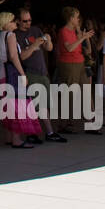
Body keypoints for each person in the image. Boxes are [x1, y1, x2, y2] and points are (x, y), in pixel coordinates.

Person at [0, 12, 42, 147]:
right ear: (7, 23)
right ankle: (16, 139)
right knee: (17, 106)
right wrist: (22, 74)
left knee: (7, 107)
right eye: (13, 20)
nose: (15, 22)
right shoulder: (11, 35)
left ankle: (9, 137)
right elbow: (15, 57)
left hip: (1, 74)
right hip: (11, 75)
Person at [17, 8, 65, 142]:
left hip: (42, 72)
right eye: (25, 21)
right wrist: (34, 45)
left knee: (44, 104)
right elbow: (21, 56)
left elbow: (48, 48)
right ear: (18, 21)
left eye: (29, 20)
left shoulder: (35, 30)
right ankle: (40, 132)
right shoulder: (16, 36)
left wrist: (48, 40)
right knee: (35, 105)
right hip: (30, 73)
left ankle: (45, 132)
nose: (28, 23)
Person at [55, 7, 94, 134]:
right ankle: (63, 124)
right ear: (71, 18)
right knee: (70, 94)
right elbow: (70, 48)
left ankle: (90, 122)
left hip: (80, 63)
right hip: (69, 64)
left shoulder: (74, 31)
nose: (78, 19)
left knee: (85, 91)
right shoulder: (64, 31)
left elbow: (86, 50)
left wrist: (83, 36)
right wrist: (82, 38)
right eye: (76, 17)